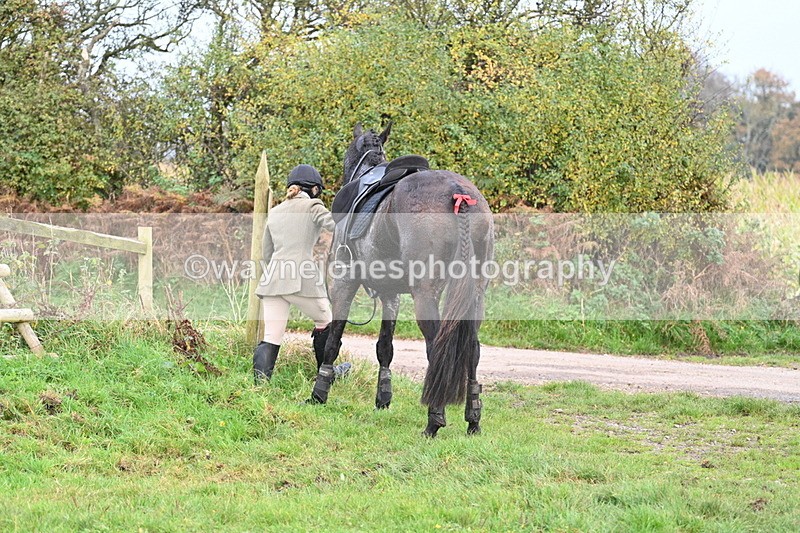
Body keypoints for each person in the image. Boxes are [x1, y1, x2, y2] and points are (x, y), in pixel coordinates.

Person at [253, 164, 351, 383]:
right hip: (302, 277)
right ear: (314, 189)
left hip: (273, 280)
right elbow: (336, 226)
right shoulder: (314, 206)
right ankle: (325, 375)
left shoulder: (275, 212)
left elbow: (266, 253)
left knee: (272, 335)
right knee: (326, 321)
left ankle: (259, 387)